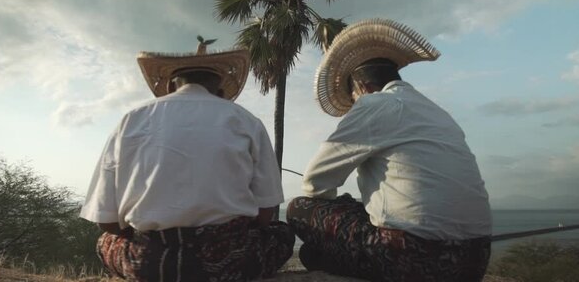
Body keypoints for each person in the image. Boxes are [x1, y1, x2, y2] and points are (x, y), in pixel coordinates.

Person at [287, 19, 492, 282]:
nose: (353, 106)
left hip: (414, 258)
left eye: (352, 99)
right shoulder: (436, 112)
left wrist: (333, 202)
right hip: (474, 261)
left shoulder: (373, 104)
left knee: (298, 209)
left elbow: (314, 184)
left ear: (362, 88)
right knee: (317, 250)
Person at [80, 41, 294, 282]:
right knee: (282, 233)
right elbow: (265, 215)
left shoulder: (131, 120)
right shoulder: (246, 121)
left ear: (171, 85)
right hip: (225, 262)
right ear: (221, 91)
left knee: (105, 243)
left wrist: (143, 236)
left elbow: (105, 221)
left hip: (150, 264)